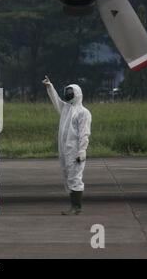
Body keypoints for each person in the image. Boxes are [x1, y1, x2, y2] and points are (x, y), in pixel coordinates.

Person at [42, 76, 92, 215]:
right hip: (64, 149)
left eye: (71, 92)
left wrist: (82, 150)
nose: (68, 94)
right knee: (67, 176)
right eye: (67, 91)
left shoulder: (84, 112)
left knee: (75, 176)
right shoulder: (66, 108)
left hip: (75, 150)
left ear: (78, 94)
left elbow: (84, 133)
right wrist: (50, 86)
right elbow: (56, 101)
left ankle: (76, 207)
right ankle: (73, 205)